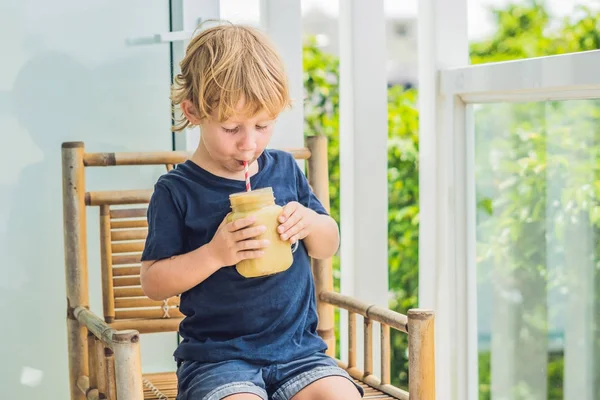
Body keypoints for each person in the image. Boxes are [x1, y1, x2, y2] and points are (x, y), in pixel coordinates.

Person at [140, 22, 364, 400]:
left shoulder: (284, 169)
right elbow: (153, 282)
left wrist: (309, 223)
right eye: (231, 128)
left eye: (262, 125)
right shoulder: (177, 191)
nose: (249, 143)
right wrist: (215, 253)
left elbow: (327, 245)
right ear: (193, 111)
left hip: (300, 353)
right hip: (217, 360)